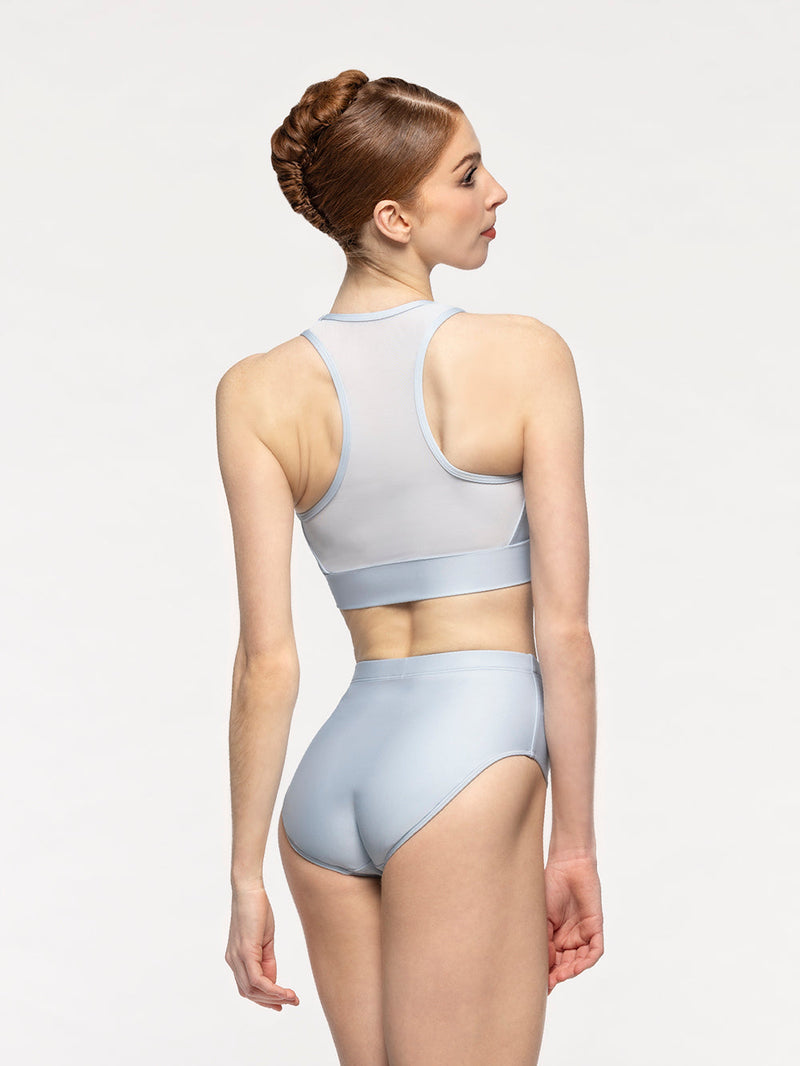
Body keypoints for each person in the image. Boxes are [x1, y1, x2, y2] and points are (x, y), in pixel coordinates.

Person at [216, 69, 603, 1066]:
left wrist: (246, 874)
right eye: (467, 176)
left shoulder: (255, 391)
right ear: (392, 218)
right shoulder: (526, 355)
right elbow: (563, 631)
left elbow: (266, 660)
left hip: (330, 784)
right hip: (469, 759)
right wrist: (573, 842)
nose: (496, 193)